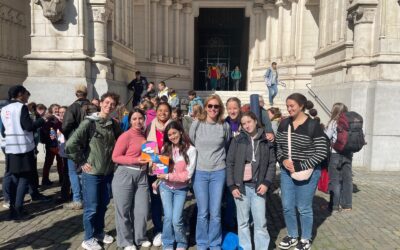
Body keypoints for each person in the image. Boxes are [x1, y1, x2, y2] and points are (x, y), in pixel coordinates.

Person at [65, 92, 121, 250]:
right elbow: (71, 144)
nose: (109, 106)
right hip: (92, 173)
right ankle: (88, 238)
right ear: (101, 103)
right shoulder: (89, 123)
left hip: (107, 172)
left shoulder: (113, 124)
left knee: (103, 204)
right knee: (92, 207)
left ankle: (98, 232)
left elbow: (122, 142)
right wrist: (82, 161)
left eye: (112, 104)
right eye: (107, 102)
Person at [276, 93, 329, 250]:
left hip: (308, 172)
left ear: (301, 106)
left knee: (303, 207)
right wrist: (283, 160)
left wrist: (300, 166)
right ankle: (293, 235)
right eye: (287, 106)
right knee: (286, 205)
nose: (289, 109)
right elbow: (278, 146)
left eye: (292, 106)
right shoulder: (284, 123)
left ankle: (305, 238)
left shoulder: (313, 126)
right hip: (287, 171)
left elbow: (321, 152)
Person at [226, 111, 276, 250]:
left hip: (259, 187)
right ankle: (245, 247)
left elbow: (272, 163)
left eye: (249, 122)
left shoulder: (265, 140)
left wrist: (266, 182)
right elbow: (229, 163)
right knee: (243, 223)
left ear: (255, 121)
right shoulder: (237, 140)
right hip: (241, 187)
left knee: (260, 223)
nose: (247, 125)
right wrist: (232, 185)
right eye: (243, 123)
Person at [189, 94, 230, 250]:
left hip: (218, 172)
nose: (213, 109)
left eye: (216, 106)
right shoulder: (197, 124)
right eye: (210, 106)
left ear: (220, 108)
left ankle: (214, 243)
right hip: (200, 172)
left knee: (215, 211)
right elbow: (192, 142)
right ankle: (202, 242)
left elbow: (226, 144)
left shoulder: (224, 126)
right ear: (205, 107)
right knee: (203, 211)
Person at [1, 85, 46, 220]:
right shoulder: (21, 107)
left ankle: (13, 210)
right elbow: (28, 127)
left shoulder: (4, 109)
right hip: (23, 149)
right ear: (20, 94)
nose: (28, 96)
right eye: (26, 94)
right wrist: (43, 120)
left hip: (10, 148)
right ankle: (18, 209)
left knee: (14, 179)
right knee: (24, 179)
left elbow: (3, 130)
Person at [112, 108, 152, 249]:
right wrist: (135, 160)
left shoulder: (145, 135)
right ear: (129, 121)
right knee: (123, 211)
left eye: (140, 118)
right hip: (125, 175)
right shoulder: (125, 136)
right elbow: (115, 157)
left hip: (142, 176)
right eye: (134, 119)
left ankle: (140, 237)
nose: (137, 121)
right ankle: (126, 241)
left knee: (142, 210)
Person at [157, 121, 197, 250]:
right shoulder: (165, 148)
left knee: (176, 219)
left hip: (181, 189)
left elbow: (188, 175)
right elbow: (161, 170)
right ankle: (168, 242)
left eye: (174, 133)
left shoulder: (191, 150)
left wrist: (168, 176)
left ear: (180, 131)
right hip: (165, 187)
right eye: (169, 135)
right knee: (168, 217)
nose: (172, 137)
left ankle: (181, 242)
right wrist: (155, 168)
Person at [146, 102, 173, 247]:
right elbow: (147, 147)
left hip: (171, 169)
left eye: (166, 111)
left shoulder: (174, 125)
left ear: (170, 112)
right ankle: (158, 229)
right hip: (154, 168)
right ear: (156, 112)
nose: (163, 113)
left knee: (169, 201)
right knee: (156, 201)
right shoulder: (150, 126)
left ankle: (171, 229)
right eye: (160, 110)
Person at [62, 84, 91, 210]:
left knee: (73, 172)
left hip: (76, 144)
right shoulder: (94, 107)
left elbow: (65, 126)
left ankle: (77, 200)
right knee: (86, 170)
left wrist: (71, 137)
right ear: (86, 93)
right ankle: (87, 198)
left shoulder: (72, 107)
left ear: (76, 94)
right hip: (90, 143)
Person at [324, 103, 353, 212]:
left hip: (335, 153)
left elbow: (326, 136)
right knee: (347, 180)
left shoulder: (334, 122)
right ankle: (347, 205)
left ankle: (334, 206)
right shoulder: (351, 121)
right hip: (348, 154)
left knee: (335, 180)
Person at [223, 97, 242, 231]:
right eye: (229, 108)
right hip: (228, 164)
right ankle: (229, 222)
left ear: (239, 108)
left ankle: (243, 222)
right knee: (230, 195)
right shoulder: (224, 123)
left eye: (235, 108)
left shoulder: (245, 121)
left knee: (243, 195)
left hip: (243, 164)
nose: (232, 111)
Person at [40, 103, 63, 186]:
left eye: (58, 109)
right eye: (55, 109)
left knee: (60, 162)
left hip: (60, 144)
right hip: (51, 144)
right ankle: (45, 179)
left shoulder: (60, 118)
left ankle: (62, 178)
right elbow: (47, 131)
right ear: (51, 110)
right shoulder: (49, 119)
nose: (57, 110)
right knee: (48, 162)